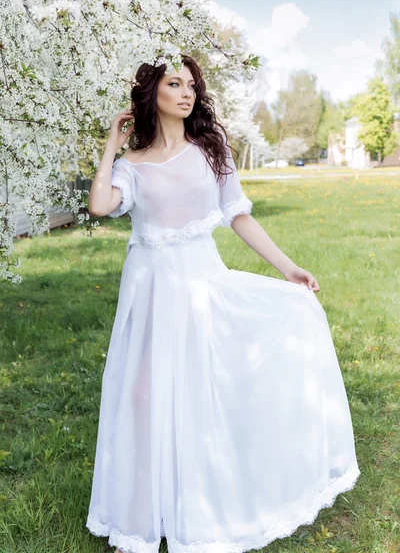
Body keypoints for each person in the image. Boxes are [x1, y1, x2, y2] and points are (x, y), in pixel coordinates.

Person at [86, 54, 360, 553]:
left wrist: (288, 266)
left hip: (201, 284)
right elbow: (100, 205)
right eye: (174, 84)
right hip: (149, 293)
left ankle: (206, 505)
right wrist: (111, 144)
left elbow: (239, 217)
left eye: (191, 85)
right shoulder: (132, 165)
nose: (186, 93)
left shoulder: (211, 150)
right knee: (144, 398)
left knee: (199, 392)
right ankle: (148, 512)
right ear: (154, 94)